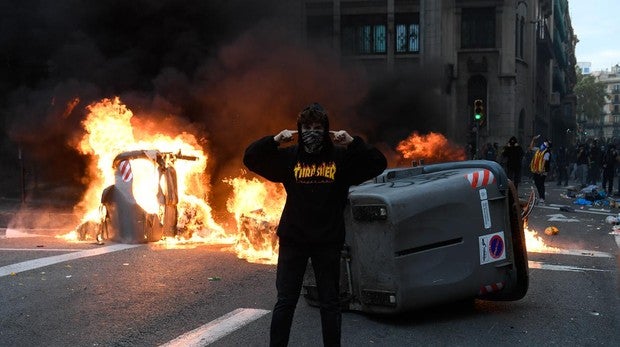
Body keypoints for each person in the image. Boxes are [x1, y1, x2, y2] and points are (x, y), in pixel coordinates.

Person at [243, 103, 387, 347]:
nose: (312, 132)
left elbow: (377, 162)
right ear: (299, 129)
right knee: (286, 301)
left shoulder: (341, 159)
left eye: (318, 127)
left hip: (327, 241)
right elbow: (251, 158)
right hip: (294, 239)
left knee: (330, 303)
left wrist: (353, 142)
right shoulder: (289, 158)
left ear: (327, 130)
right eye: (307, 127)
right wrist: (275, 140)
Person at [529, 135, 551, 204]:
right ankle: (541, 197)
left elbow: (544, 161)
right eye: (545, 142)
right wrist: (533, 140)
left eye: (546, 143)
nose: (544, 143)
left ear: (548, 145)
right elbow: (531, 147)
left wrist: (541, 171)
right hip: (536, 170)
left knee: (540, 183)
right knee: (537, 183)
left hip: (542, 171)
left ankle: (542, 198)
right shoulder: (539, 150)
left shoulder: (547, 152)